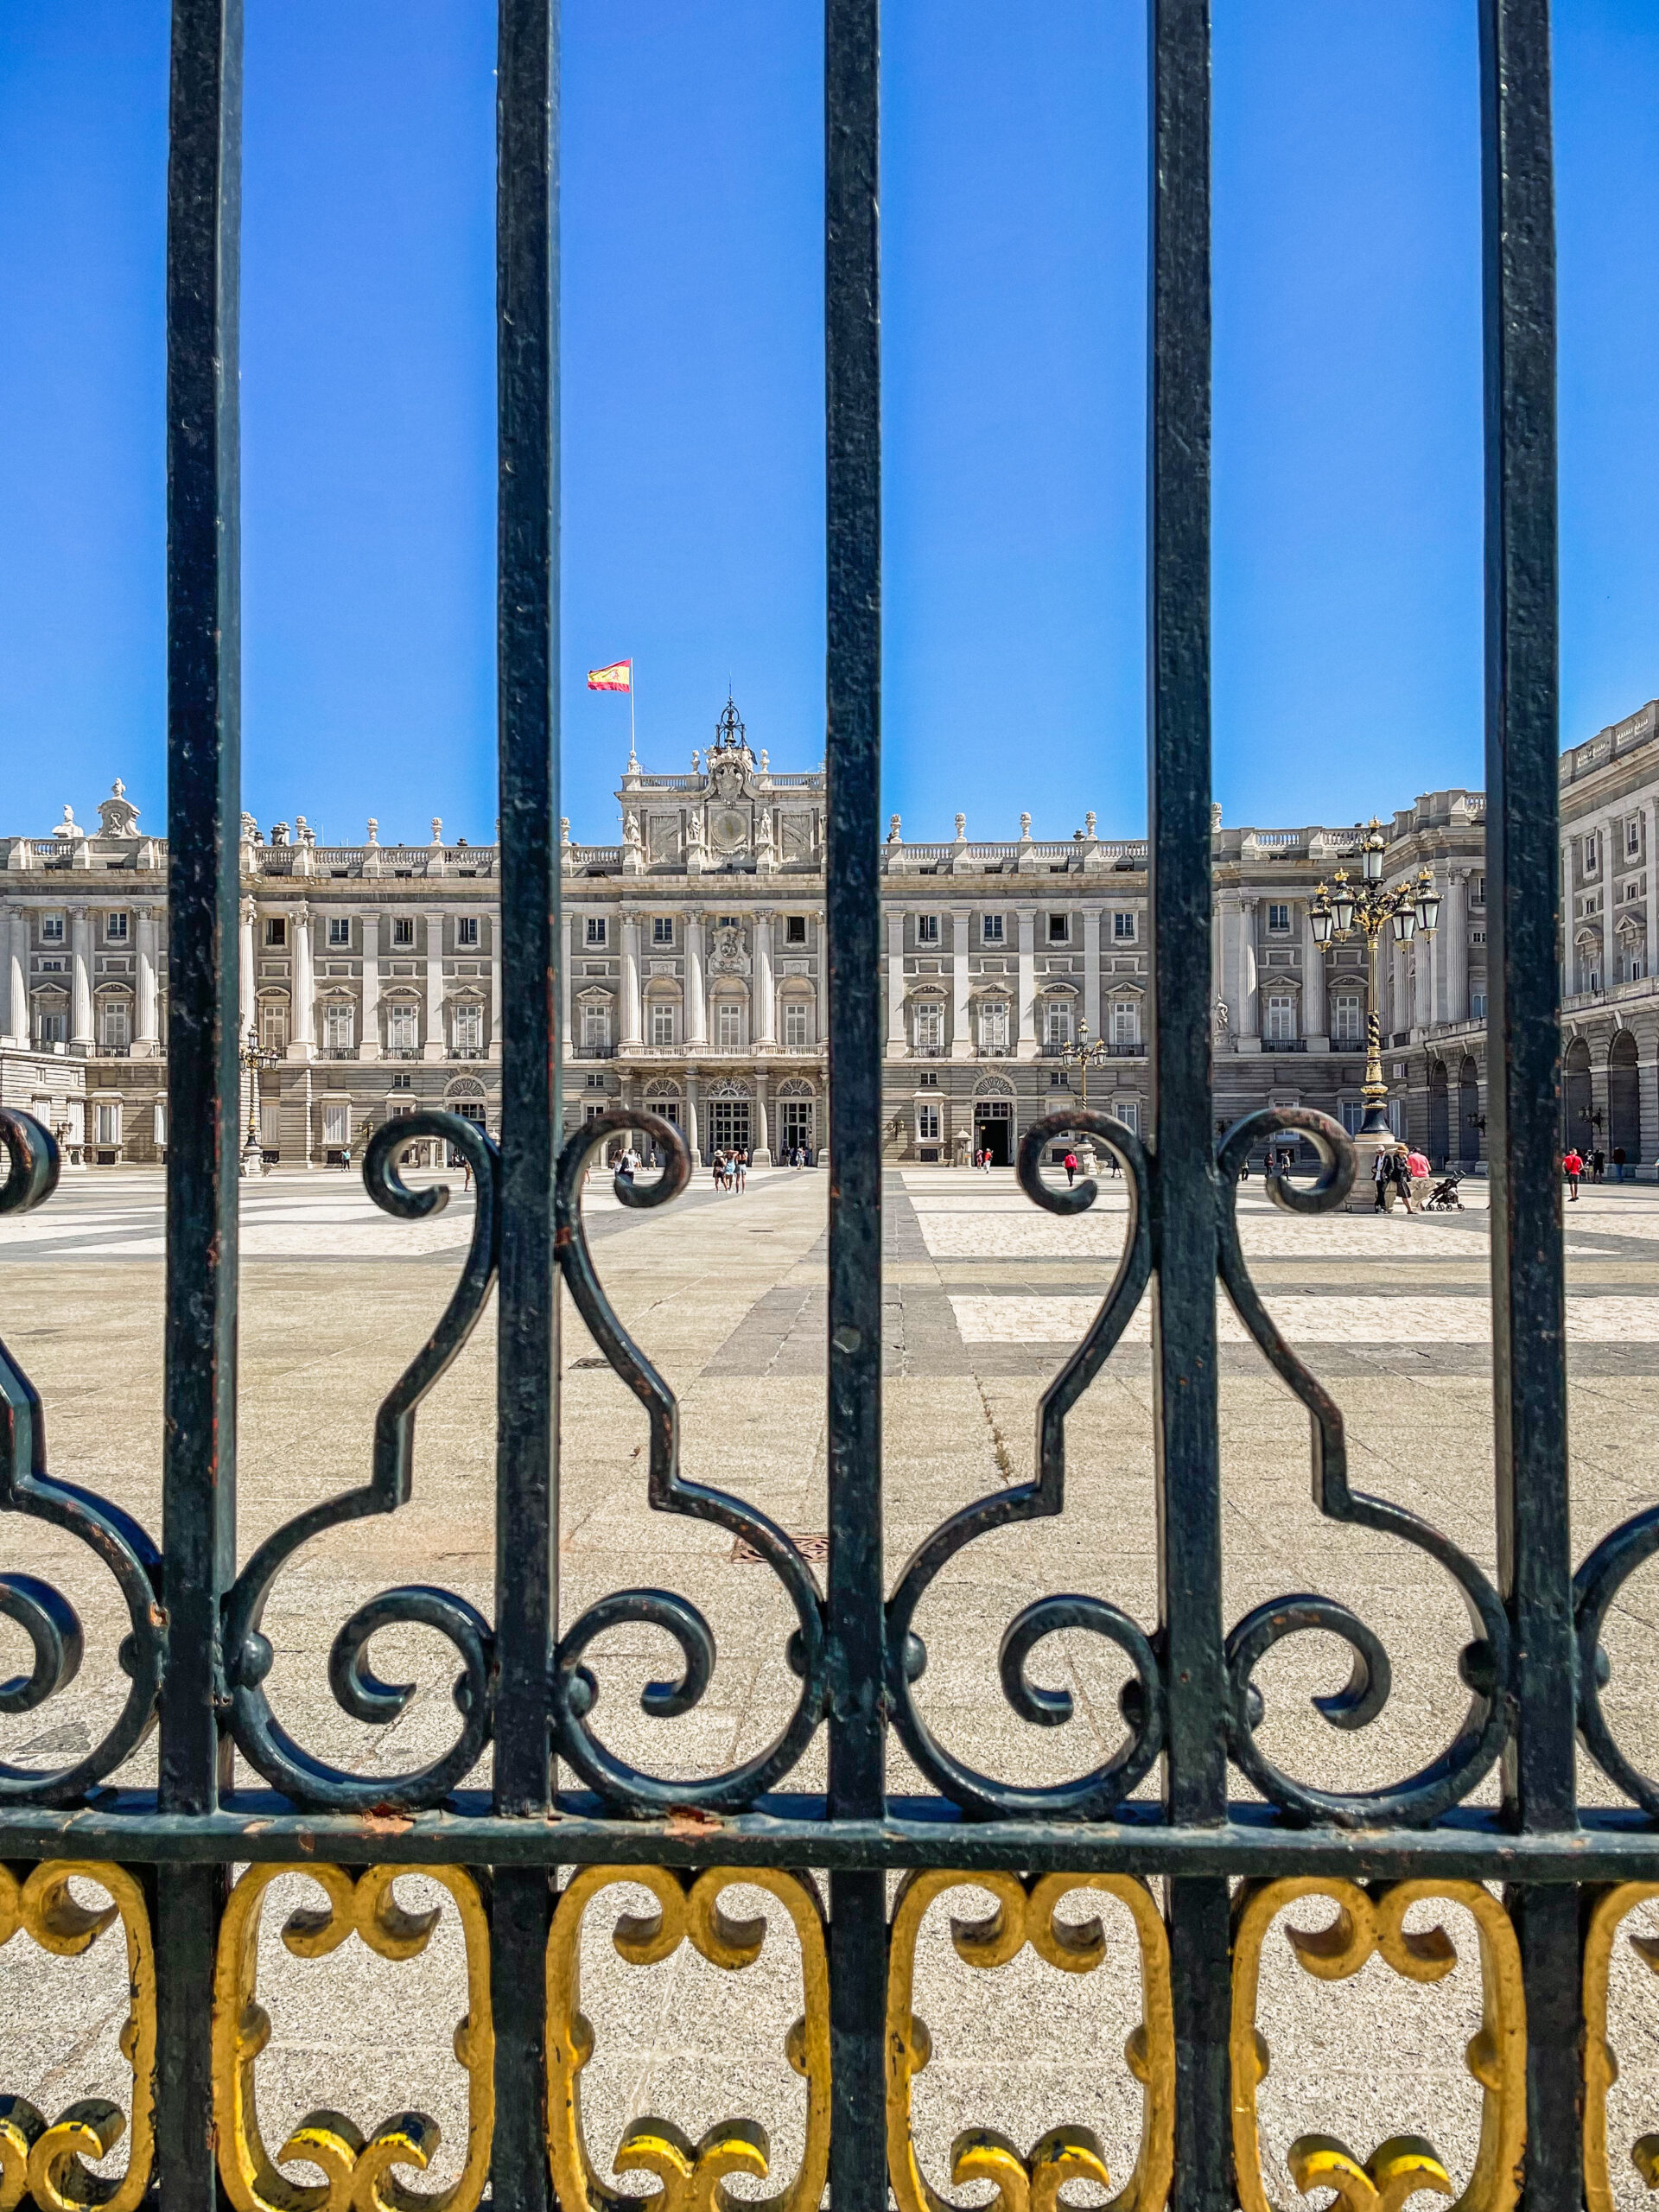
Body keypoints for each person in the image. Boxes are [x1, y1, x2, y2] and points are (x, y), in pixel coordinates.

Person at [1373, 1147, 1392, 1213]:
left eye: (1381, 1152)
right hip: (1378, 1176)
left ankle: (1379, 1205)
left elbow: (1391, 1167)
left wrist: (1388, 1174)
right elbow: (1376, 1166)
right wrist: (1373, 1169)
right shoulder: (1378, 1157)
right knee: (1380, 1191)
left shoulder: (1388, 1157)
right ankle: (1380, 1206)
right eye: (1378, 1153)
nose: (1380, 1154)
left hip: (1385, 1177)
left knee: (1382, 1191)